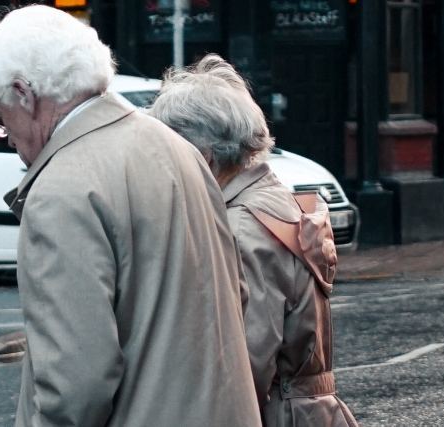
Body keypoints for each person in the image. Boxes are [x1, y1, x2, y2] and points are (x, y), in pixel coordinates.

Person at [0, 7, 260, 426]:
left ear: (24, 94)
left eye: (1, 114)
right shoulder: (176, 148)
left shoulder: (61, 189)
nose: (7, 133)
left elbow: (75, 387)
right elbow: (235, 295)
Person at [149, 54, 358, 427]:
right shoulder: (273, 199)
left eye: (170, 153)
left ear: (204, 156)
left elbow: (243, 368)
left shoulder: (241, 227)